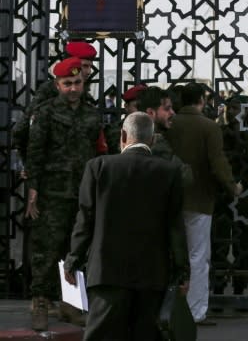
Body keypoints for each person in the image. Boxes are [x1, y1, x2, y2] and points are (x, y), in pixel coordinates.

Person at [63, 112, 190, 340]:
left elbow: (85, 220)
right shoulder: (169, 172)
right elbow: (175, 228)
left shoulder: (98, 167)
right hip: (152, 274)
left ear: (123, 135)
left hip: (106, 272)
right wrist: (182, 272)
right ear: (152, 139)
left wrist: (73, 259)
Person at [25, 57, 105, 331]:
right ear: (58, 85)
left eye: (77, 83)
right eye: (67, 83)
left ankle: (70, 305)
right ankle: (40, 302)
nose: (73, 88)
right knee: (46, 249)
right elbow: (35, 151)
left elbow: (98, 153)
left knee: (76, 249)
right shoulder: (45, 113)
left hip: (82, 192)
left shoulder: (93, 115)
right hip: (52, 192)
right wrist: (33, 188)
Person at [165, 83, 242, 326]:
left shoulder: (169, 124)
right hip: (200, 199)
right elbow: (217, 162)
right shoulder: (209, 127)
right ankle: (195, 312)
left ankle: (164, 308)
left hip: (169, 199)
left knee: (169, 254)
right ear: (201, 100)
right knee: (198, 256)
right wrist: (233, 186)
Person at [211, 96, 248, 301]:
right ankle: (218, 290)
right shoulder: (219, 132)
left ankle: (239, 290)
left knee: (242, 244)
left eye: (236, 108)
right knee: (221, 243)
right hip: (223, 195)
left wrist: (246, 183)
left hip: (242, 196)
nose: (232, 112)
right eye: (229, 107)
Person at [12, 41, 97, 161]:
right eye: (85, 66)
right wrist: (30, 165)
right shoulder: (50, 91)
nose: (89, 71)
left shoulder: (84, 94)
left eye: (90, 66)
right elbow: (21, 131)